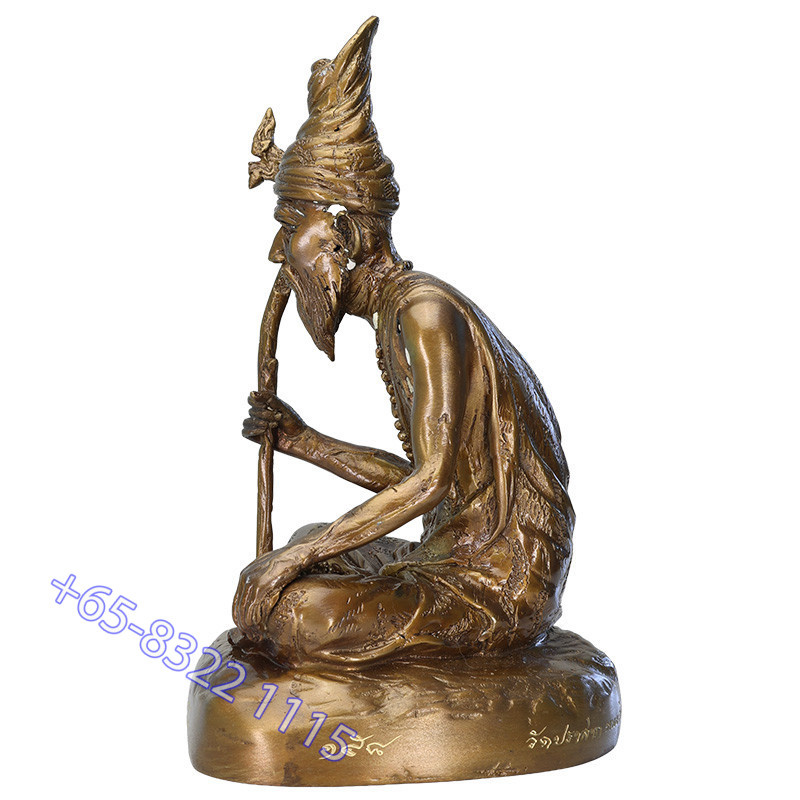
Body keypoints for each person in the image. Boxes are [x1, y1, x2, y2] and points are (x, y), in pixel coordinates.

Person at [233, 17, 574, 667]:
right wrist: (303, 441)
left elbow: (430, 481)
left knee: (297, 606)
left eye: (290, 224)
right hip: (447, 549)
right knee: (307, 543)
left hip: (494, 583)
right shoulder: (397, 313)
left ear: (343, 236)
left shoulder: (423, 312)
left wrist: (295, 561)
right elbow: (434, 484)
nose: (279, 250)